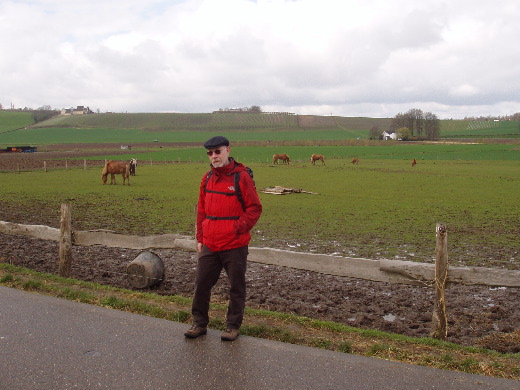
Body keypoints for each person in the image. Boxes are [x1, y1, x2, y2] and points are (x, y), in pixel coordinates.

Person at [185, 136, 262, 341]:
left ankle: (232, 326)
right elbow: (201, 210)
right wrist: (200, 237)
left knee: (236, 287)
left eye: (217, 152)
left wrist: (237, 228)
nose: (213, 156)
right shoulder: (207, 178)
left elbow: (254, 208)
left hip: (234, 244)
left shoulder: (241, 177)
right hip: (210, 243)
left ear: (227, 150)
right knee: (201, 285)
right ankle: (199, 323)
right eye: (210, 153)